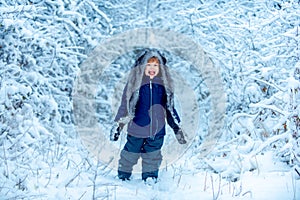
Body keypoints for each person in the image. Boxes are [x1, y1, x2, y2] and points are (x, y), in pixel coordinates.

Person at [110, 49, 186, 182]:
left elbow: (170, 108)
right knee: (130, 153)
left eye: (155, 65)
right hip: (137, 128)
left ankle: (150, 179)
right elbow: (125, 106)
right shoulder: (134, 85)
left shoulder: (164, 86)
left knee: (153, 155)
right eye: (148, 65)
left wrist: (177, 128)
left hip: (157, 130)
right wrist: (118, 125)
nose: (152, 68)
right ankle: (123, 176)